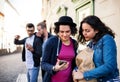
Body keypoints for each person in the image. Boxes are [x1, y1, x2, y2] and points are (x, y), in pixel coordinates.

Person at [73, 15, 119, 82]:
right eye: (83, 30)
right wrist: (75, 71)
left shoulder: (107, 39)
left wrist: (84, 75)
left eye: (87, 31)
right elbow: (84, 62)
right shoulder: (92, 43)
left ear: (96, 30)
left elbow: (109, 66)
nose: (84, 33)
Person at [41, 16, 78, 82]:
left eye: (67, 31)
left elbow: (74, 63)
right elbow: (43, 63)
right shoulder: (51, 42)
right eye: (61, 32)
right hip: (53, 80)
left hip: (69, 80)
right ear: (58, 30)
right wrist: (54, 68)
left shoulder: (74, 43)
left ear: (71, 30)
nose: (64, 34)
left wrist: (76, 70)